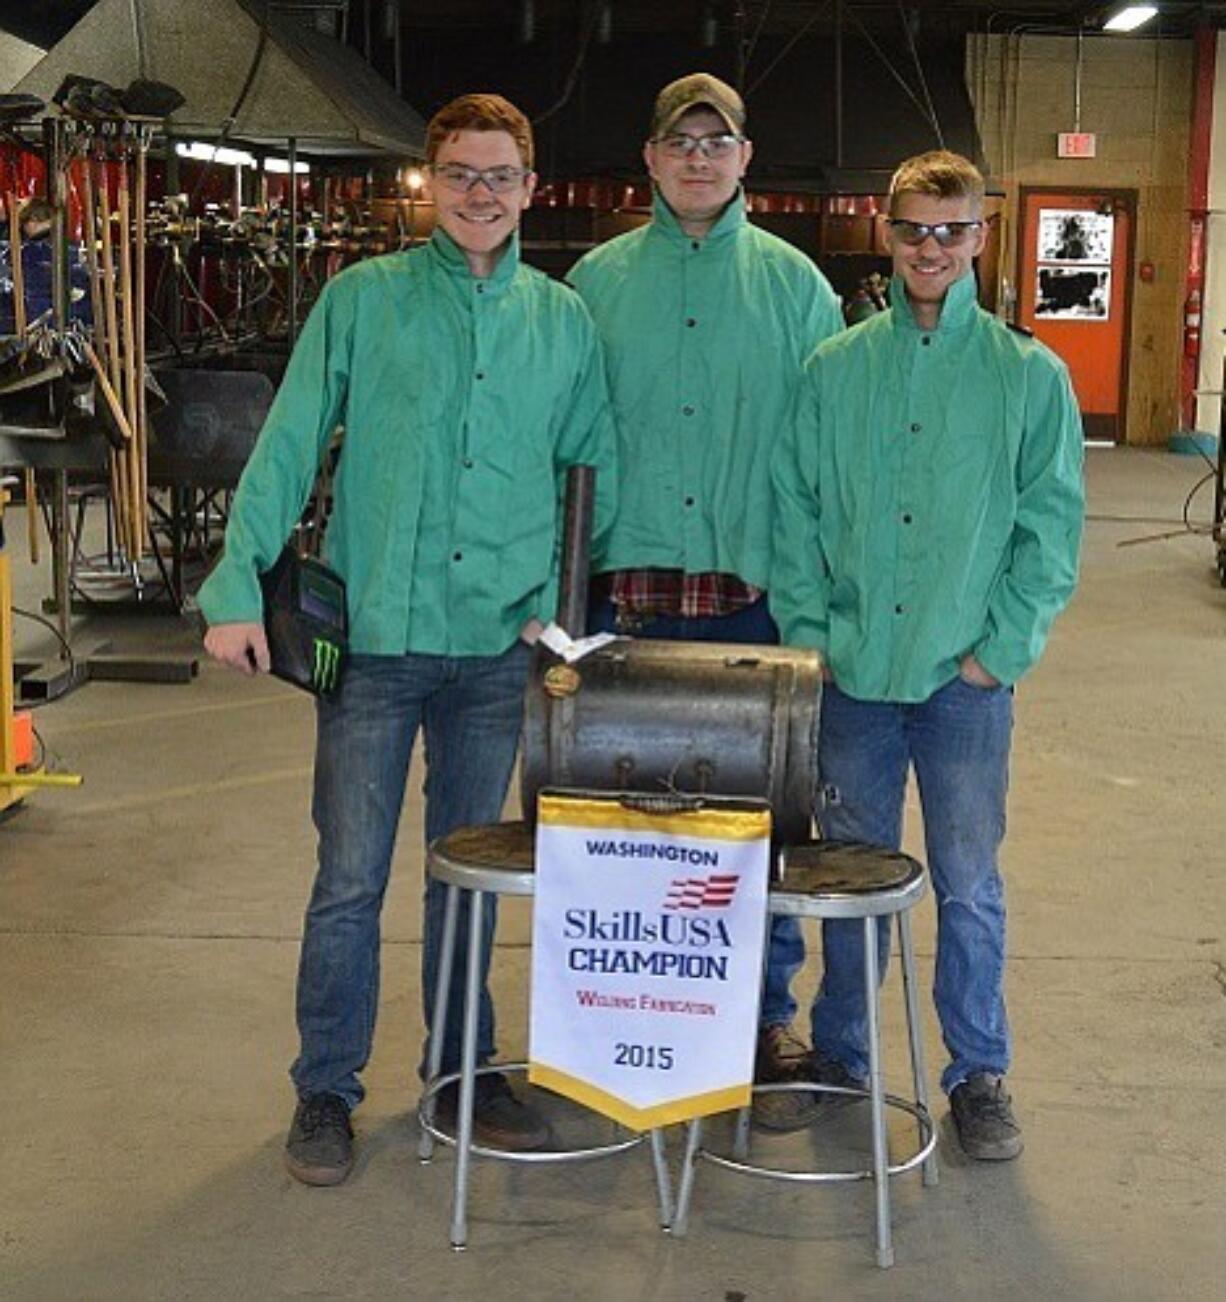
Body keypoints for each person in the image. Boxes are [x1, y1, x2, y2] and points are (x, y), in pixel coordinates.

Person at [198, 93, 616, 1185]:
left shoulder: (561, 321)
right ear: (429, 184)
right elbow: (290, 442)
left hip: (494, 652)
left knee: (463, 873)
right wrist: (235, 585)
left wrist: (561, 613)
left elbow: (588, 480)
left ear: (530, 188)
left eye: (500, 177)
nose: (480, 195)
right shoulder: (362, 301)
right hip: (375, 643)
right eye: (461, 175)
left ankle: (461, 1073)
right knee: (348, 877)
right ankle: (324, 1090)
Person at [770, 149, 1084, 1159]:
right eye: (911, 228)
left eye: (949, 230)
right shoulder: (833, 371)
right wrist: (815, 635)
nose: (929, 248)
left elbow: (1049, 530)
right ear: (885, 232)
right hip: (856, 678)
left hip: (961, 684)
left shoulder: (1027, 378)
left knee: (964, 882)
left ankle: (975, 1073)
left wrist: (998, 653)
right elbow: (793, 511)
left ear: (979, 237)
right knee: (851, 878)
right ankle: (841, 1053)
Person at [566, 73, 843, 1123]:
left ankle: (760, 1021)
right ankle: (624, 1022)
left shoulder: (796, 291)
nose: (695, 157)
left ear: (743, 158)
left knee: (757, 833)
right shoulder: (592, 285)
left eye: (713, 141)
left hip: (749, 609)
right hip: (619, 606)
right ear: (646, 158)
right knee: (621, 831)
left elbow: (821, 458)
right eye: (676, 140)